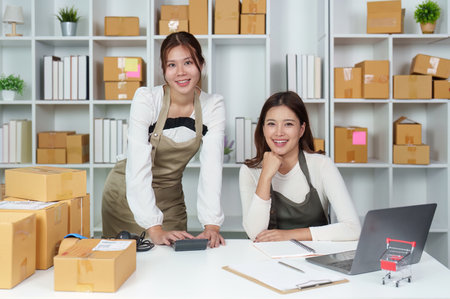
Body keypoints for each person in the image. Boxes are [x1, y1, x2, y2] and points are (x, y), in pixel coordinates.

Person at [102, 31, 226, 248]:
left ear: (201, 64)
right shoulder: (147, 100)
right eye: (171, 65)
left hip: (171, 202)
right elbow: (138, 167)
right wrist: (154, 228)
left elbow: (212, 168)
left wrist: (211, 225)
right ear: (163, 70)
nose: (180, 72)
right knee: (127, 267)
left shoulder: (212, 106)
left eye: (188, 62)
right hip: (127, 197)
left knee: (176, 269)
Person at [239, 91, 361, 242]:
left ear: (301, 129)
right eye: (271, 124)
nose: (279, 132)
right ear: (263, 128)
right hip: (269, 260)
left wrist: (289, 235)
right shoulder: (249, 170)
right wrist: (265, 176)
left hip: (317, 258)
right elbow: (254, 233)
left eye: (288, 124)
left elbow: (353, 229)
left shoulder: (321, 165)